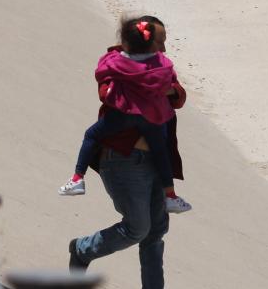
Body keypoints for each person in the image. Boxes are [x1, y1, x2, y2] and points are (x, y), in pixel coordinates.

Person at [67, 16, 189, 289]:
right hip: (122, 160)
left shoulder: (160, 66)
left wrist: (165, 89)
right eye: (159, 41)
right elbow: (107, 95)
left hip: (155, 162)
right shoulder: (115, 64)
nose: (164, 46)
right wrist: (147, 87)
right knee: (137, 227)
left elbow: (178, 97)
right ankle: (82, 249)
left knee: (156, 230)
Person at [59, 17, 192, 214]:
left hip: (123, 117)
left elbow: (105, 83)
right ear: (149, 43)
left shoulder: (115, 62)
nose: (164, 48)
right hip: (149, 122)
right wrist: (158, 92)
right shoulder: (161, 66)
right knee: (161, 152)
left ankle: (78, 179)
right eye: (160, 41)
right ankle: (170, 195)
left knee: (91, 135)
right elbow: (165, 82)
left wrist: (128, 94)